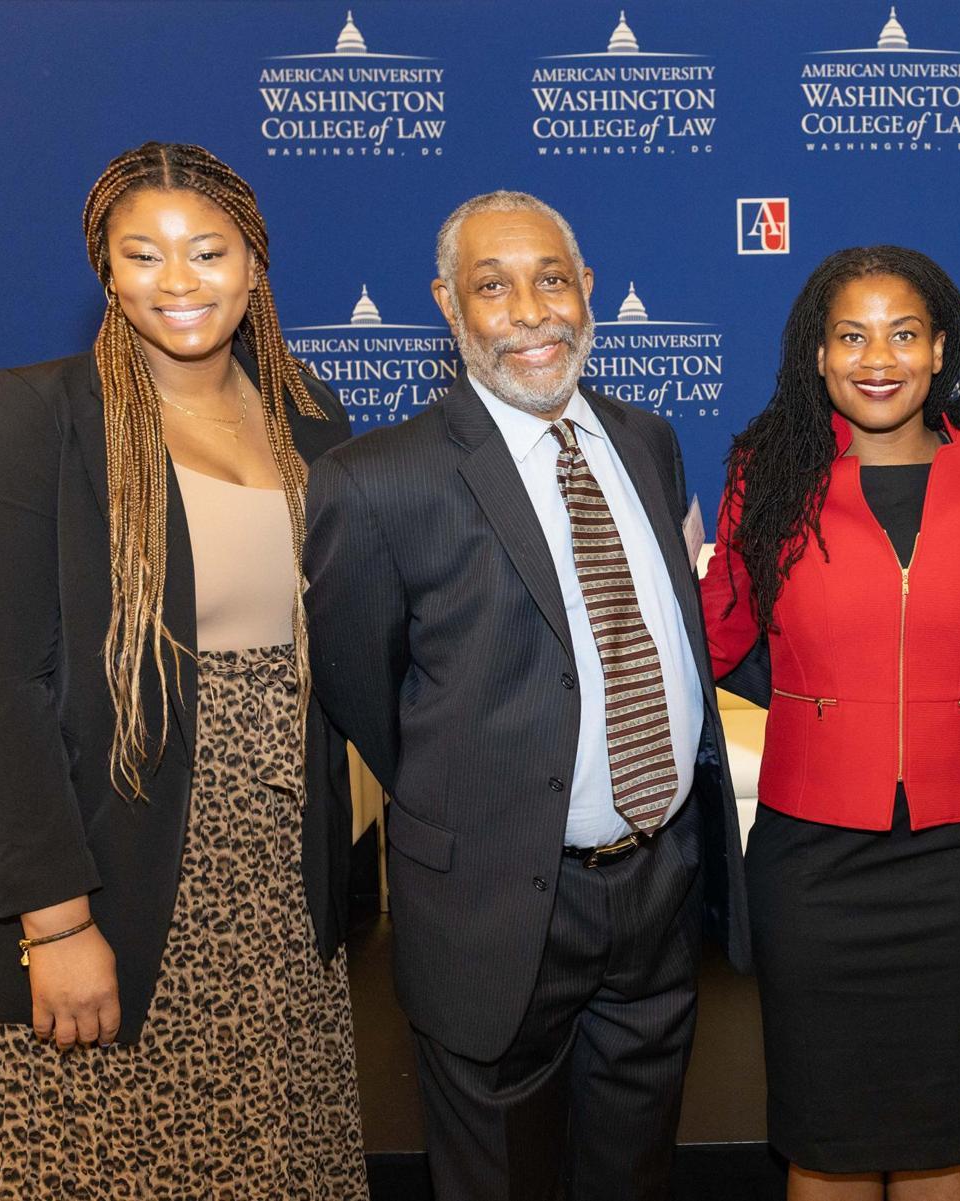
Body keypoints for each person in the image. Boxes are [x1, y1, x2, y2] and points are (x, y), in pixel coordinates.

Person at [0, 141, 365, 1199]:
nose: (178, 281)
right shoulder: (37, 416)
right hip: (102, 880)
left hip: (270, 902)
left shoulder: (313, 421)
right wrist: (56, 921)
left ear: (254, 265)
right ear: (106, 273)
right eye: (144, 255)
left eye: (208, 252)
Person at [303, 190, 750, 1201]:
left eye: (552, 278)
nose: (531, 311)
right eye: (492, 287)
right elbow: (365, 697)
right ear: (447, 307)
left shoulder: (648, 439)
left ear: (588, 290)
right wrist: (482, 802)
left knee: (634, 1175)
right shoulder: (377, 481)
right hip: (492, 906)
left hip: (659, 885)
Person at [699, 246, 960, 1201]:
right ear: (817, 353)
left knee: (948, 1136)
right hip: (812, 859)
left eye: (902, 333)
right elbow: (711, 636)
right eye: (851, 334)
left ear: (940, 351)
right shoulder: (766, 474)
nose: (876, 356)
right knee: (826, 1134)